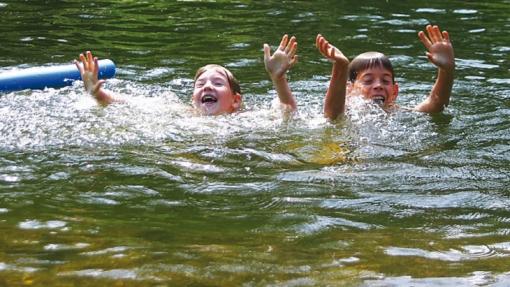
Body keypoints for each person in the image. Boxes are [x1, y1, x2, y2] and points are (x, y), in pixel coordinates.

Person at [74, 34, 298, 115]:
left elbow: (288, 113)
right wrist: (97, 94)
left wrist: (278, 78)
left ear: (236, 100)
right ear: (193, 99)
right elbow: (127, 103)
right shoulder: (183, 114)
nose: (207, 87)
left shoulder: (248, 119)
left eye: (217, 83)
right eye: (200, 84)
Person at [316, 24, 455, 120]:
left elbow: (436, 105)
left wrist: (447, 70)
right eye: (368, 80)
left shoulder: (398, 112)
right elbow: (332, 114)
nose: (378, 85)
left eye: (385, 80)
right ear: (350, 90)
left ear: (395, 91)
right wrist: (341, 66)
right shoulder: (349, 112)